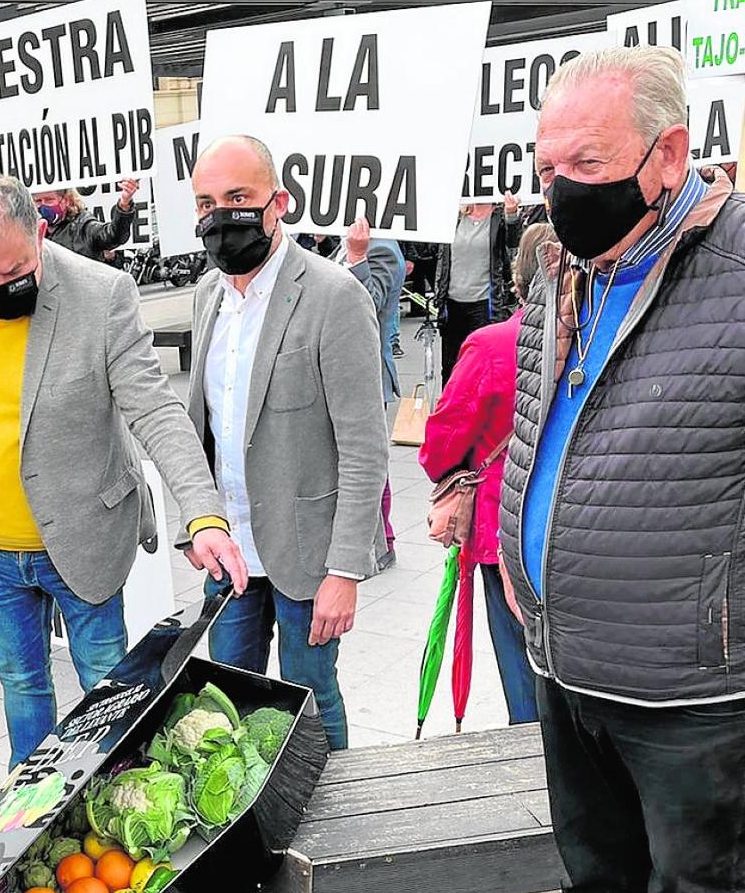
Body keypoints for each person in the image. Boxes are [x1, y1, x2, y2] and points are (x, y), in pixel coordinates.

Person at [486, 46, 745, 893]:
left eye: (585, 162)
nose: (559, 188)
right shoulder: (562, 263)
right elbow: (547, 411)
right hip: (561, 637)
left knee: (697, 880)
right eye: (546, 164)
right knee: (594, 855)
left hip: (687, 662)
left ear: (670, 153)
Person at [0, 174, 247, 769]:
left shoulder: (101, 292)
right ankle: (28, 804)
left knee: (105, 684)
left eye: (14, 272)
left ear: (40, 233)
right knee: (18, 679)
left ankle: (109, 792)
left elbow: (157, 411)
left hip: (84, 537)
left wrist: (204, 514)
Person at [187, 136, 390, 751]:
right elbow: (204, 427)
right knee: (229, 699)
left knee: (309, 696)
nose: (220, 217)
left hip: (308, 555)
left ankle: (337, 821)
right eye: (206, 203)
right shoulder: (208, 296)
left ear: (279, 202)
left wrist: (345, 570)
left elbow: (364, 446)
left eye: (238, 198)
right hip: (232, 555)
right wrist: (196, 525)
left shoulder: (332, 295)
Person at [419, 223, 555, 727]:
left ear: (516, 281)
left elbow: (440, 446)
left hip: (507, 529)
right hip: (582, 530)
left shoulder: (492, 345)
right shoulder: (600, 338)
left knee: (523, 676)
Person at [332, 215, 405, 567]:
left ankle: (383, 539)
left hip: (368, 371)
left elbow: (371, 304)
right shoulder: (336, 246)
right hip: (337, 371)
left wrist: (358, 258)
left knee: (368, 458)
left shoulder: (383, 249)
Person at [432, 194, 520, 383]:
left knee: (484, 366)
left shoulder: (499, 217)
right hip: (452, 304)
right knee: (451, 367)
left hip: (485, 304)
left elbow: (514, 243)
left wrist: (512, 215)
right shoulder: (454, 217)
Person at [32, 182, 139, 263]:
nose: (43, 206)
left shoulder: (84, 227)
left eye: (49, 200)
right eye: (38, 201)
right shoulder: (32, 232)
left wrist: (124, 205)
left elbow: (113, 235)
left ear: (66, 201)